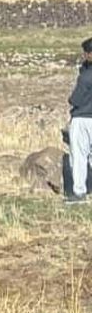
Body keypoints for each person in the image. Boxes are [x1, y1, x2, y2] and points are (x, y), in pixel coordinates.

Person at [66, 38, 92, 204]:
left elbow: (75, 99)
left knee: (79, 155)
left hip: (83, 118)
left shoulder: (86, 77)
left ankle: (79, 192)